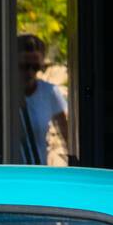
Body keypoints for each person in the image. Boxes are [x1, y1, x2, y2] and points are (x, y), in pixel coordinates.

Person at [18, 34, 69, 165]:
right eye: (24, 66)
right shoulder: (4, 94)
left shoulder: (49, 92)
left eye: (35, 67)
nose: (30, 73)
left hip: (38, 171)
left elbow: (66, 135)